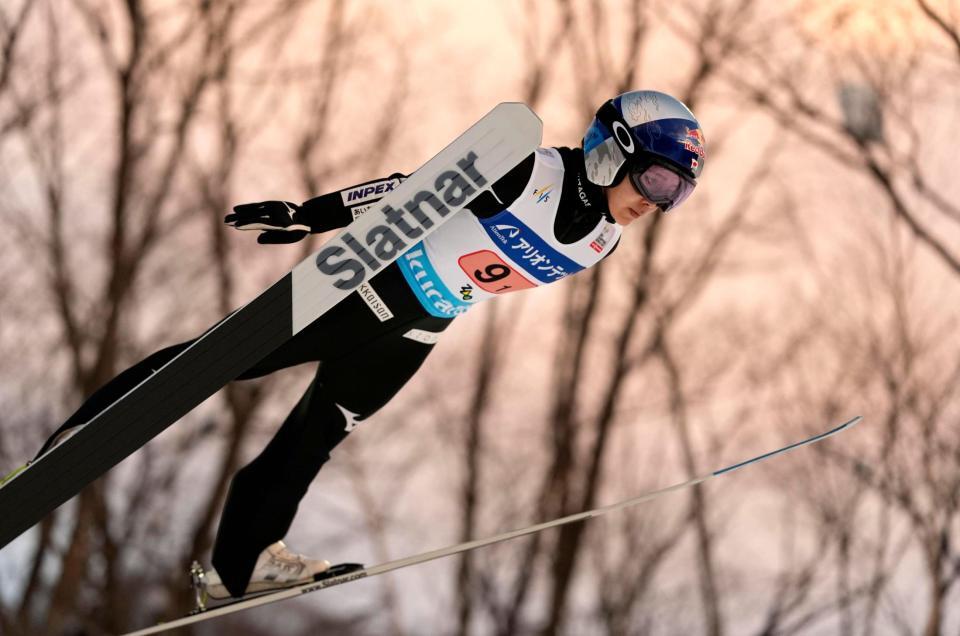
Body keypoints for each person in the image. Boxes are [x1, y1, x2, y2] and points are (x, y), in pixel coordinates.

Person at [8, 90, 705, 599]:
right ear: (613, 148)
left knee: (314, 438)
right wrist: (308, 215)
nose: (658, 201)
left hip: (419, 329)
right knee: (213, 362)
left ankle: (239, 565)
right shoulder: (529, 172)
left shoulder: (603, 239)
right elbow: (412, 191)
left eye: (676, 194)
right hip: (367, 290)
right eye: (656, 178)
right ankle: (67, 445)